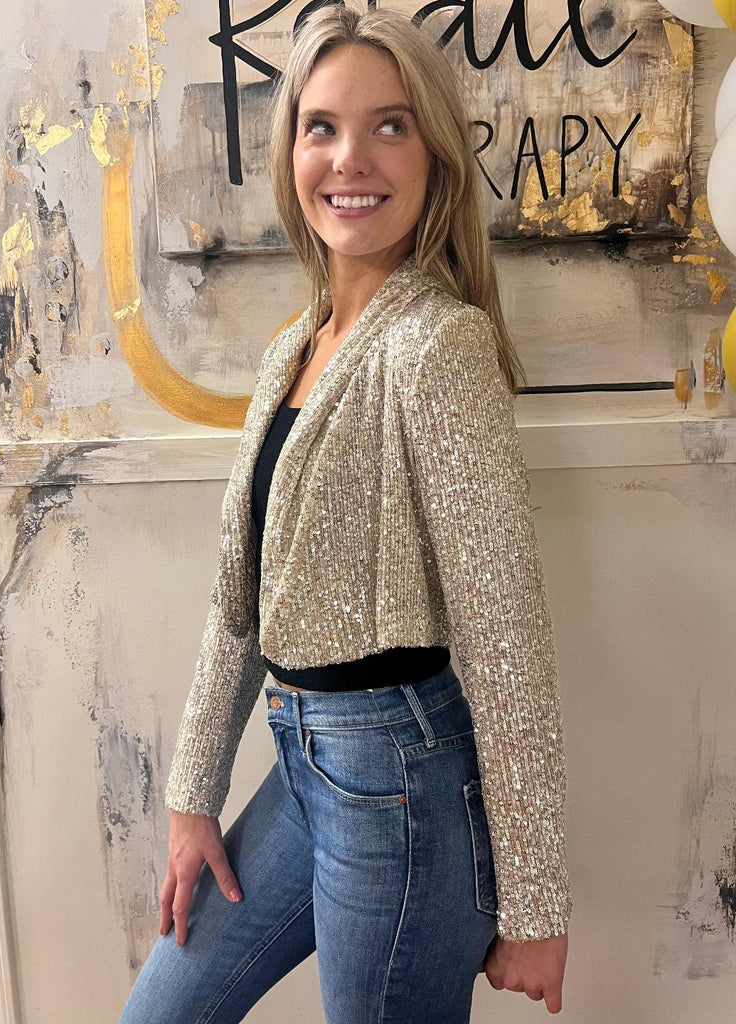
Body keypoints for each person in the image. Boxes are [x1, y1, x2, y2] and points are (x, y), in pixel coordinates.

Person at [119, 6, 572, 1023]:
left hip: (400, 781)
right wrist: (193, 799)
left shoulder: (438, 348)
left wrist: (537, 904)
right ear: (291, 154)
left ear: (434, 156)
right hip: (303, 765)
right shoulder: (294, 347)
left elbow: (506, 642)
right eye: (320, 126)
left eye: (390, 126)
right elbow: (238, 604)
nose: (349, 158)